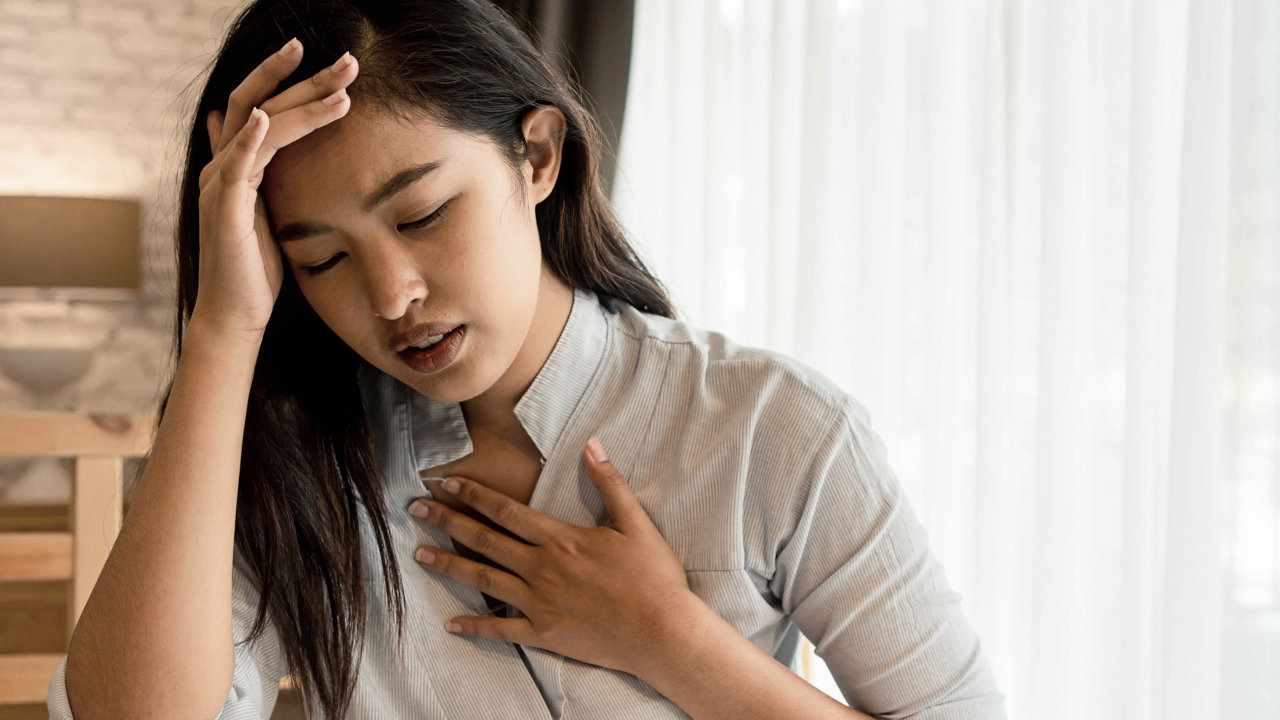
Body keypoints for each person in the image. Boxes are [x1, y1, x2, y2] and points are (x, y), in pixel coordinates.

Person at [48, 1, 1005, 718]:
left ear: (536, 155)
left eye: (422, 214)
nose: (390, 296)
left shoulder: (773, 427)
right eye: (321, 258)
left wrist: (669, 642)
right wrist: (223, 332)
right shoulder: (296, 459)